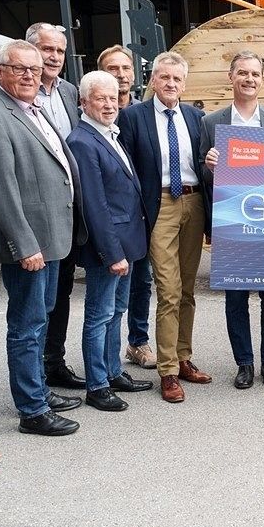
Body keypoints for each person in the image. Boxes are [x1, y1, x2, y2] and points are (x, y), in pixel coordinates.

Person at [0, 39, 85, 436]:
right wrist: (24, 244)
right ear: (0, 72)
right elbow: (0, 189)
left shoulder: (33, 109)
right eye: (19, 69)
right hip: (31, 245)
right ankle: (32, 410)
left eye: (34, 70)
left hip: (52, 239)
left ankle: (38, 390)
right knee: (26, 324)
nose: (29, 76)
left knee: (41, 319)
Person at [117, 50, 212, 403]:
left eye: (177, 79)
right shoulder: (133, 117)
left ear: (184, 84)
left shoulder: (196, 117)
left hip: (193, 202)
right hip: (159, 206)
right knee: (169, 290)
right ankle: (168, 370)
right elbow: (125, 168)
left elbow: (203, 164)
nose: (171, 84)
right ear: (153, 80)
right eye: (165, 77)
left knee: (187, 290)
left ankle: (183, 357)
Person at [66, 71, 153, 413]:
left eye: (112, 98)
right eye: (100, 98)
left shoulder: (108, 134)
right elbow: (95, 204)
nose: (108, 104)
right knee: (99, 315)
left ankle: (113, 372)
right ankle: (97, 385)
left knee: (116, 311)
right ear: (83, 102)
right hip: (109, 248)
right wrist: (112, 253)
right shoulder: (83, 141)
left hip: (126, 244)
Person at [201, 51, 264, 390]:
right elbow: (202, 175)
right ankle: (244, 363)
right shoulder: (211, 123)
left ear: (262, 80)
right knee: (235, 298)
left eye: (255, 74)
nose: (249, 79)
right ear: (231, 76)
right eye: (242, 73)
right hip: (231, 224)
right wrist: (209, 166)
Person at [23, 23, 87, 391]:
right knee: (35, 303)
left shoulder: (68, 91)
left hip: (68, 209)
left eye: (60, 51)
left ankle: (54, 362)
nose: (54, 57)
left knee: (61, 292)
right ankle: (34, 380)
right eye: (47, 49)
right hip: (38, 214)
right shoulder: (14, 95)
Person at [97, 43, 154, 372]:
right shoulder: (94, 114)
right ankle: (106, 357)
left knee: (141, 282)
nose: (120, 74)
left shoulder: (143, 113)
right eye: (112, 68)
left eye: (125, 68)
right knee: (110, 293)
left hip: (140, 214)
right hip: (110, 215)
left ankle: (137, 341)